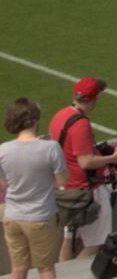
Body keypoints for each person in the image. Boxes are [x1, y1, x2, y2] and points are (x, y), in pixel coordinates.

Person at [51, 78, 117, 263]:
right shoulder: (80, 124)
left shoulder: (60, 115)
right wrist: (113, 158)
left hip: (66, 189)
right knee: (96, 244)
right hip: (86, 192)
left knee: (69, 240)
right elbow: (86, 161)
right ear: (94, 99)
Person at [1, 96, 65, 279]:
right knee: (45, 269)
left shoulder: (3, 149)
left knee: (18, 269)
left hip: (13, 216)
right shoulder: (50, 148)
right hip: (40, 216)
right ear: (35, 120)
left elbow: (5, 184)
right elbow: (62, 182)